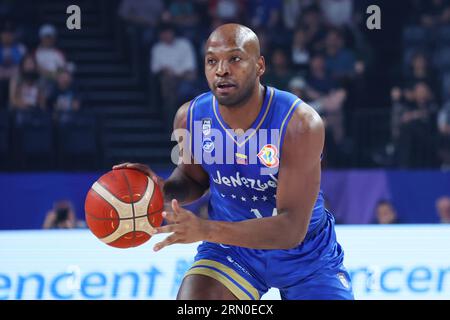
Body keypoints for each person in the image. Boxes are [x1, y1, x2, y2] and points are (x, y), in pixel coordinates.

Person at [114, 24, 353, 300]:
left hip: (306, 256)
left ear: (260, 65)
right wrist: (159, 190)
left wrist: (205, 229)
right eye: (212, 61)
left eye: (235, 59)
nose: (221, 70)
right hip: (232, 250)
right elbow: (193, 179)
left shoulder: (299, 124)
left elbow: (290, 229)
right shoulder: (190, 117)